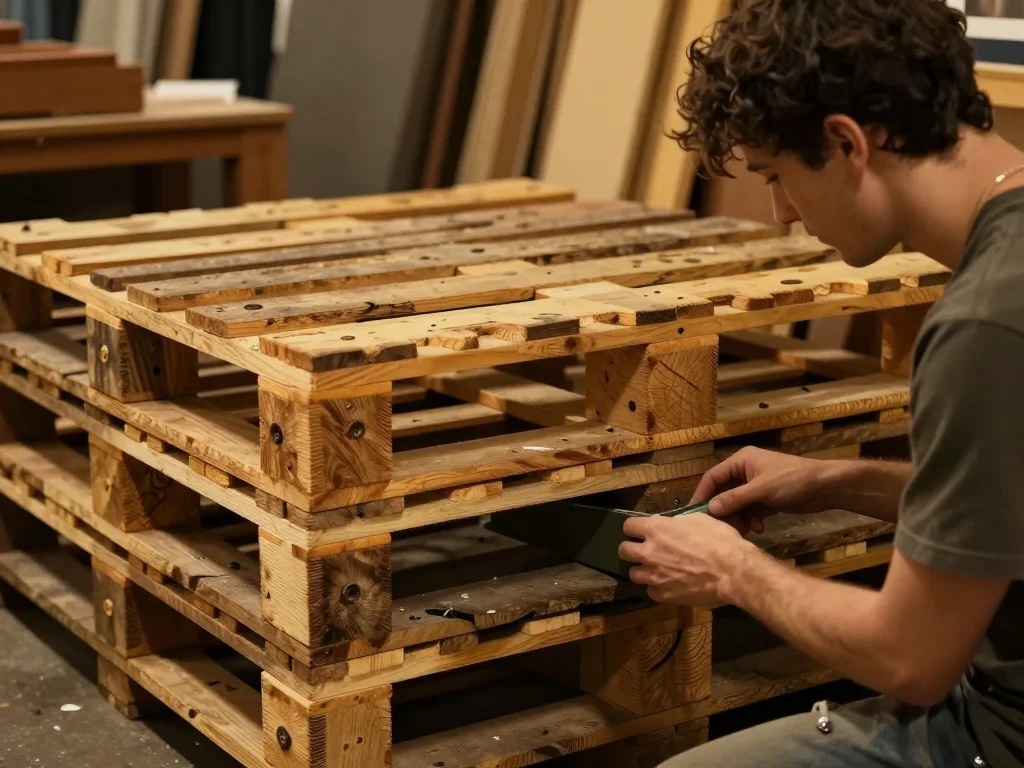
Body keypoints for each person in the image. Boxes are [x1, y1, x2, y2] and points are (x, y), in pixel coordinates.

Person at [617, 1, 1024, 766]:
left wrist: (729, 568)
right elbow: (1006, 499)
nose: (779, 214)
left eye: (777, 176)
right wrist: (834, 479)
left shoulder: (984, 328)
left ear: (846, 142)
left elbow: (911, 658)